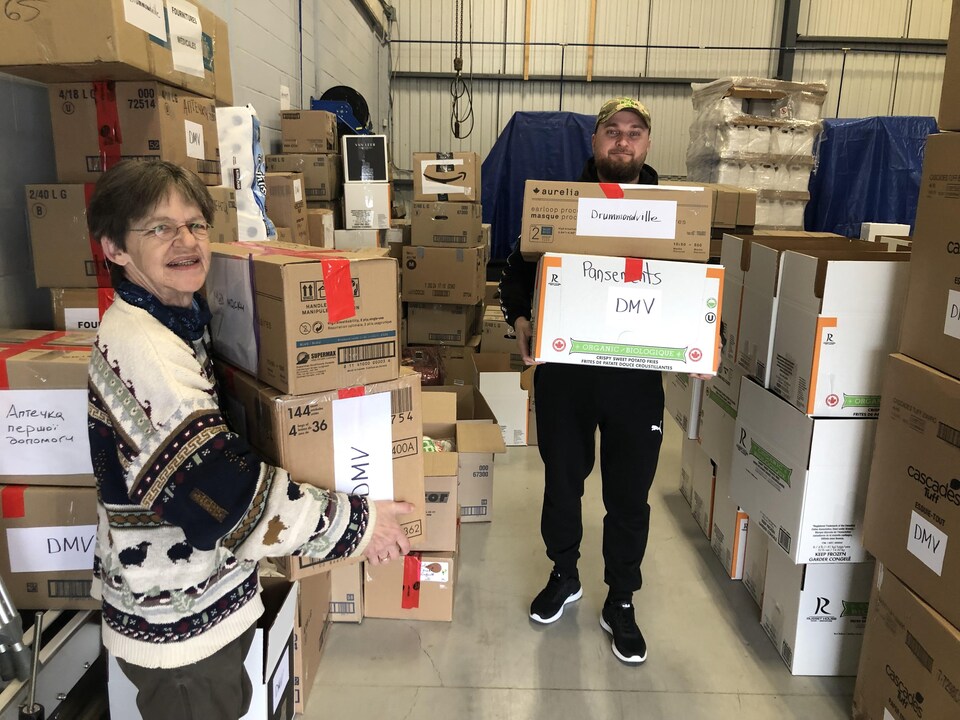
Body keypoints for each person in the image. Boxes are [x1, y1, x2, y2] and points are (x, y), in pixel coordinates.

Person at [85, 159, 413, 720]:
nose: (186, 241)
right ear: (115, 248)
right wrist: (359, 525)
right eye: (159, 228)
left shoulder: (175, 321)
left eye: (195, 224)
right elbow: (223, 496)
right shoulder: (150, 355)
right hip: (178, 637)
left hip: (198, 604)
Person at [500, 97, 704, 666]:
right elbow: (516, 269)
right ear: (594, 142)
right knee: (562, 482)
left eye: (634, 132)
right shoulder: (560, 208)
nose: (622, 141)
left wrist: (693, 335)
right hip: (566, 375)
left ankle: (621, 599)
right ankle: (565, 573)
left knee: (628, 494)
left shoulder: (674, 216)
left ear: (647, 145)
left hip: (634, 381)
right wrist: (519, 317)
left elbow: (692, 290)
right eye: (611, 131)